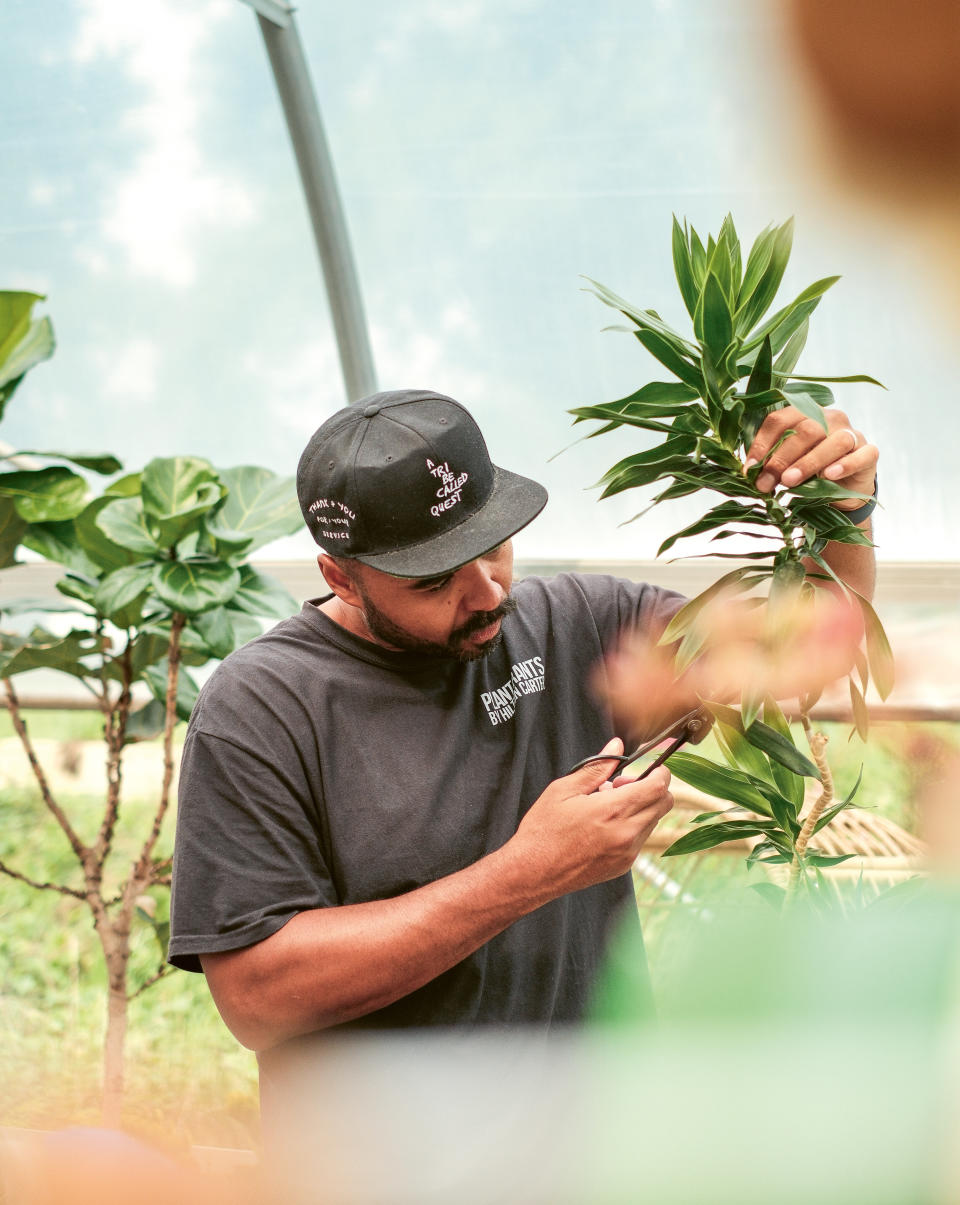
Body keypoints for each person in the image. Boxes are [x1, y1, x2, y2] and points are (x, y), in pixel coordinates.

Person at [168, 388, 878, 1051]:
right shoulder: (261, 707)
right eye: (435, 579)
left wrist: (839, 509)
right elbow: (257, 999)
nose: (488, 593)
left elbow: (807, 647)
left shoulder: (580, 626)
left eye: (493, 547)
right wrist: (530, 871)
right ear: (341, 577)